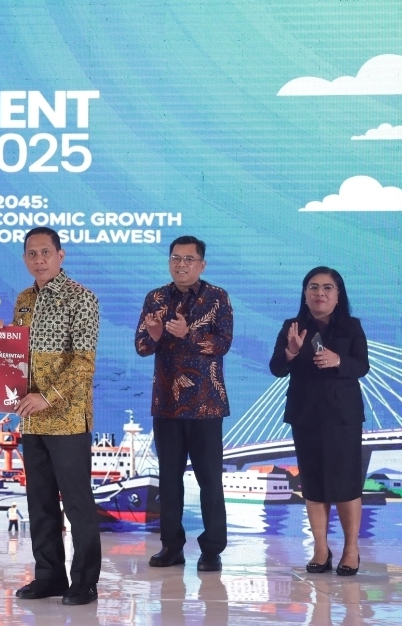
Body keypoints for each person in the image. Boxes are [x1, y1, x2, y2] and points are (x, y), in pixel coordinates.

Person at [0, 226, 101, 606]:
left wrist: (47, 397)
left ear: (60, 255)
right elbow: (17, 354)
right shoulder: (24, 299)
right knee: (39, 502)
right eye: (32, 254)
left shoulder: (81, 298)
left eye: (45, 253)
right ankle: (49, 576)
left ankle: (84, 582)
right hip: (31, 417)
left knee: (77, 503)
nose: (39, 260)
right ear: (25, 259)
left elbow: (83, 363)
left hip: (67, 418)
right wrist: (0, 336)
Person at [135, 235, 232, 573]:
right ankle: (171, 547)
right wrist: (156, 336)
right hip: (166, 403)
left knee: (210, 479)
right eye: (176, 258)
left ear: (201, 265)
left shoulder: (217, 297)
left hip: (206, 403)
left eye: (189, 259)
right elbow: (141, 346)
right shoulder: (156, 298)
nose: (181, 264)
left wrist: (187, 333)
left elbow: (222, 343)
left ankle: (212, 549)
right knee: (169, 479)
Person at [269, 267, 369, 576]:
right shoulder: (293, 326)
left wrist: (338, 361)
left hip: (343, 415)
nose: (320, 293)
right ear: (305, 294)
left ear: (338, 295)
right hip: (306, 413)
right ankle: (321, 549)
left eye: (327, 288)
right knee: (313, 482)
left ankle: (351, 549)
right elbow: (276, 368)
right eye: (313, 287)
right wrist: (290, 352)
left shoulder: (351, 326)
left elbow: (362, 366)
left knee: (346, 482)